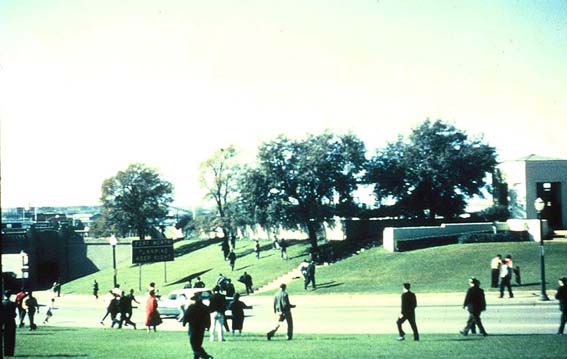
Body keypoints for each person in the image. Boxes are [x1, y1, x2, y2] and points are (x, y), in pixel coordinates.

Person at [183, 292, 213, 359]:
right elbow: (208, 318)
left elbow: (186, 316)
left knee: (194, 345)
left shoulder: (191, 307)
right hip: (201, 328)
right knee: (198, 344)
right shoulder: (205, 307)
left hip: (193, 328)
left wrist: (184, 323)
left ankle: (206, 357)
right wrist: (208, 325)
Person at [1, 290, 17, 357]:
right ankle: (10, 352)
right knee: (11, 339)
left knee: (5, 338)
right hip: (11, 322)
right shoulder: (12, 303)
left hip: (4, 322)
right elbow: (14, 314)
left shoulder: (2, 303)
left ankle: (5, 352)